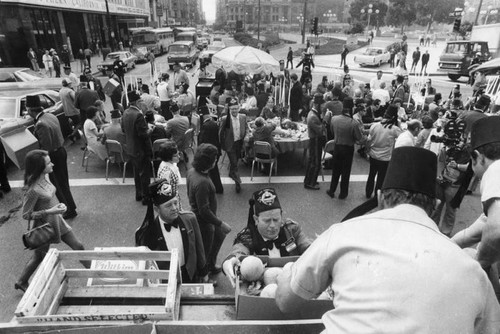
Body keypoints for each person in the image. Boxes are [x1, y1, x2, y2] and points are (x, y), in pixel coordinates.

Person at [275, 146, 500, 333]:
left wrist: (287, 274)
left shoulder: (342, 234)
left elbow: (285, 302)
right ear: (436, 207)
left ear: (381, 198)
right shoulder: (473, 272)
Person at [15, 150, 89, 292]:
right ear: (39, 167)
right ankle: (21, 281)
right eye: (48, 163)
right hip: (45, 227)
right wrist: (50, 211)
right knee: (39, 257)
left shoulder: (46, 176)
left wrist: (60, 206)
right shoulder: (32, 190)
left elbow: (49, 196)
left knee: (78, 246)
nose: (52, 164)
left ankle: (95, 273)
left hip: (57, 221)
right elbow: (26, 215)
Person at [222, 188, 312, 286]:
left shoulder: (291, 229)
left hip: (293, 283)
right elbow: (238, 252)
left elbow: (308, 246)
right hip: (259, 287)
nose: (273, 225)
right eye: (267, 221)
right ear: (256, 219)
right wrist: (229, 261)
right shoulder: (247, 237)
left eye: (276, 219)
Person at [453, 116, 500, 298]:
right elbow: (476, 231)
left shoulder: (495, 169)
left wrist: (480, 262)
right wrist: (445, 247)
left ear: (477, 158)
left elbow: (496, 229)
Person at [135, 179, 209, 283]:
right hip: (166, 280)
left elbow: (199, 247)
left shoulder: (190, 219)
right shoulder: (146, 233)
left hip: (190, 275)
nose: (174, 208)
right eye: (168, 205)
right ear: (157, 209)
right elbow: (143, 263)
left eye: (175, 202)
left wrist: (203, 272)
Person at [26, 95, 77, 219]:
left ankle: (68, 210)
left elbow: (46, 147)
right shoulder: (50, 116)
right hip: (61, 151)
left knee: (58, 184)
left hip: (53, 155)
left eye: (27, 109)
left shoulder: (40, 124)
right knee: (64, 182)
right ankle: (71, 206)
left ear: (30, 110)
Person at [186, 144, 232, 276]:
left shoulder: (192, 172)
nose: (217, 160)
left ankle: (211, 265)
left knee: (220, 236)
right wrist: (220, 223)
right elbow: (204, 211)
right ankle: (204, 276)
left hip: (204, 218)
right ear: (210, 162)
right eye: (215, 158)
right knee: (204, 251)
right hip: (204, 222)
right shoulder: (203, 183)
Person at [327, 97, 364, 199]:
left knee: (335, 171)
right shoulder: (353, 123)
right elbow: (360, 139)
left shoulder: (334, 119)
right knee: (345, 172)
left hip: (337, 147)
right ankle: (343, 193)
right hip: (348, 149)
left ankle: (331, 190)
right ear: (352, 108)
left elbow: (332, 131)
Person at [121, 91, 153, 205]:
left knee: (136, 173)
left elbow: (124, 130)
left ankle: (138, 194)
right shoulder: (138, 115)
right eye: (140, 101)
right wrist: (150, 129)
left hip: (131, 148)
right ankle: (146, 197)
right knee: (144, 174)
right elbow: (143, 134)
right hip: (141, 149)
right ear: (137, 102)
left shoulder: (125, 112)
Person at [365, 104, 403, 198]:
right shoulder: (394, 129)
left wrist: (367, 150)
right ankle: (376, 197)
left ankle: (368, 192)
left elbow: (369, 140)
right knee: (381, 178)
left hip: (373, 155)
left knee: (371, 175)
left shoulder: (375, 126)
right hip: (385, 157)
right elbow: (402, 136)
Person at [219, 99, 247, 193]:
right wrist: (222, 145)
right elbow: (220, 133)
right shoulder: (225, 119)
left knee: (236, 161)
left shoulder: (243, 117)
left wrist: (245, 138)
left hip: (239, 143)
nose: (234, 111)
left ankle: (232, 173)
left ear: (239, 108)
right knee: (234, 163)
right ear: (229, 110)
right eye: (232, 109)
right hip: (229, 144)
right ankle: (238, 182)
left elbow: (246, 129)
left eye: (235, 109)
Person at [304, 94, 326, 190]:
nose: (323, 107)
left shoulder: (314, 113)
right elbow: (320, 130)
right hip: (315, 140)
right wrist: (325, 120)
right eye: (322, 105)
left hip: (315, 140)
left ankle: (309, 180)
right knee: (316, 162)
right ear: (317, 105)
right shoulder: (313, 116)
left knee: (312, 160)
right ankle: (311, 183)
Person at [198, 114, 223, 194]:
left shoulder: (205, 126)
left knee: (211, 170)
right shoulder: (214, 124)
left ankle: (216, 188)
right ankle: (217, 188)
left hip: (209, 151)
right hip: (216, 149)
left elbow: (202, 139)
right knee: (213, 170)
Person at [157, 141, 182, 206]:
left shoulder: (169, 163)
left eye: (178, 154)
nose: (179, 156)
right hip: (171, 200)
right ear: (168, 158)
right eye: (176, 156)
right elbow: (166, 193)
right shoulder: (167, 172)